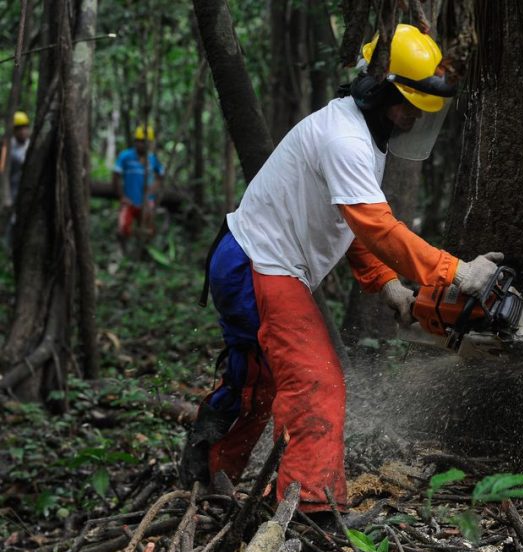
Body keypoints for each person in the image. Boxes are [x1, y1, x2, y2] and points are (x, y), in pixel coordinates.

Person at [180, 24, 503, 520]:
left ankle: (210, 473)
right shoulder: (344, 139)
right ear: (380, 90)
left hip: (252, 259)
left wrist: (388, 284)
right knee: (316, 382)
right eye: (408, 103)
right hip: (258, 263)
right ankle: (310, 509)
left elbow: (349, 224)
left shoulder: (359, 133)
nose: (414, 116)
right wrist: (454, 272)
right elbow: (375, 227)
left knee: (260, 382)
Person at [113, 125, 164, 249]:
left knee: (148, 229)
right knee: (123, 228)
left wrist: (153, 188)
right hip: (129, 201)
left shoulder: (152, 159)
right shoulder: (125, 156)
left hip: (147, 202)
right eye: (140, 141)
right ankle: (123, 253)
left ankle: (143, 253)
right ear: (135, 142)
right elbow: (116, 176)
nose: (143, 145)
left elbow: (160, 176)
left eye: (146, 142)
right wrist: (122, 196)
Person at [2, 111, 31, 247]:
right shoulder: (7, 148)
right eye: (19, 128)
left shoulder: (31, 145)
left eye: (25, 127)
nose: (23, 131)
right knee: (11, 223)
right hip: (12, 191)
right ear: (14, 131)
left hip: (27, 191)